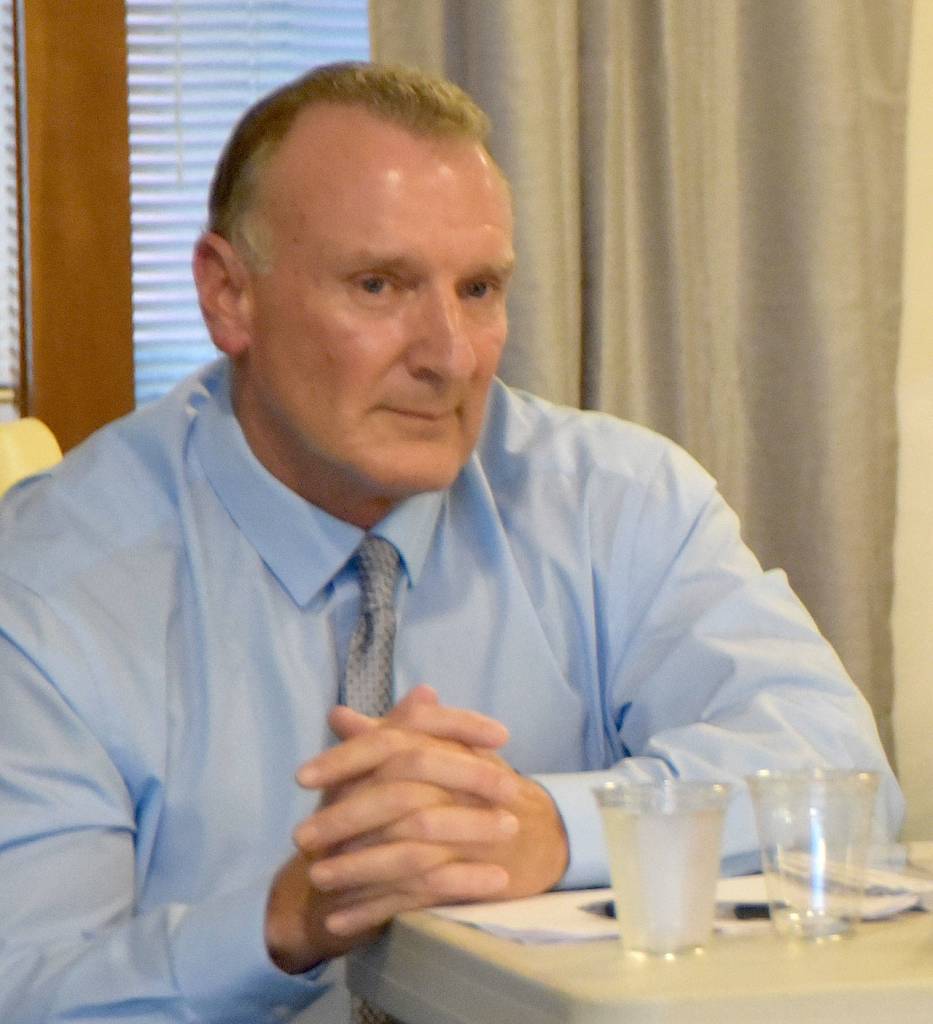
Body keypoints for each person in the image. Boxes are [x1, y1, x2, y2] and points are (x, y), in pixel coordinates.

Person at [0, 62, 902, 1023]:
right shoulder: (53, 579)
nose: (449, 355)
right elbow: (29, 984)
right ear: (229, 295)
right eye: (378, 285)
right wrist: (286, 919)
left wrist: (553, 830)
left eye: (478, 289)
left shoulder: (615, 499)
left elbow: (838, 777)